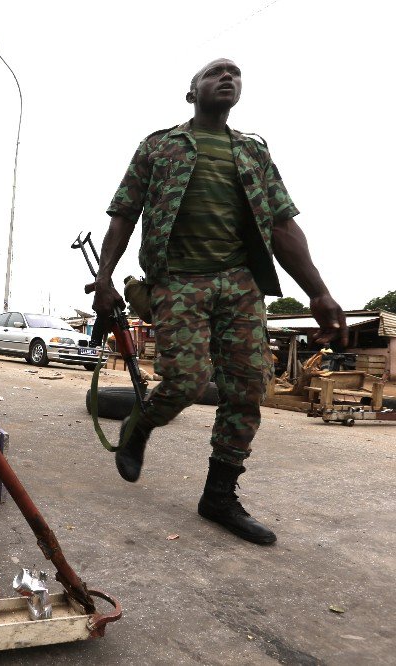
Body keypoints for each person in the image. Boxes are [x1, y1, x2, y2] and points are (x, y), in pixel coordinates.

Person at [94, 58, 346, 545]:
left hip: (241, 283)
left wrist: (318, 290)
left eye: (235, 75)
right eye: (215, 73)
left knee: (249, 387)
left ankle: (219, 495)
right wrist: (105, 278)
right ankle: (139, 424)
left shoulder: (252, 152)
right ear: (192, 92)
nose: (227, 77)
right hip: (178, 280)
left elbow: (282, 226)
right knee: (186, 381)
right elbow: (124, 213)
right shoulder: (159, 146)